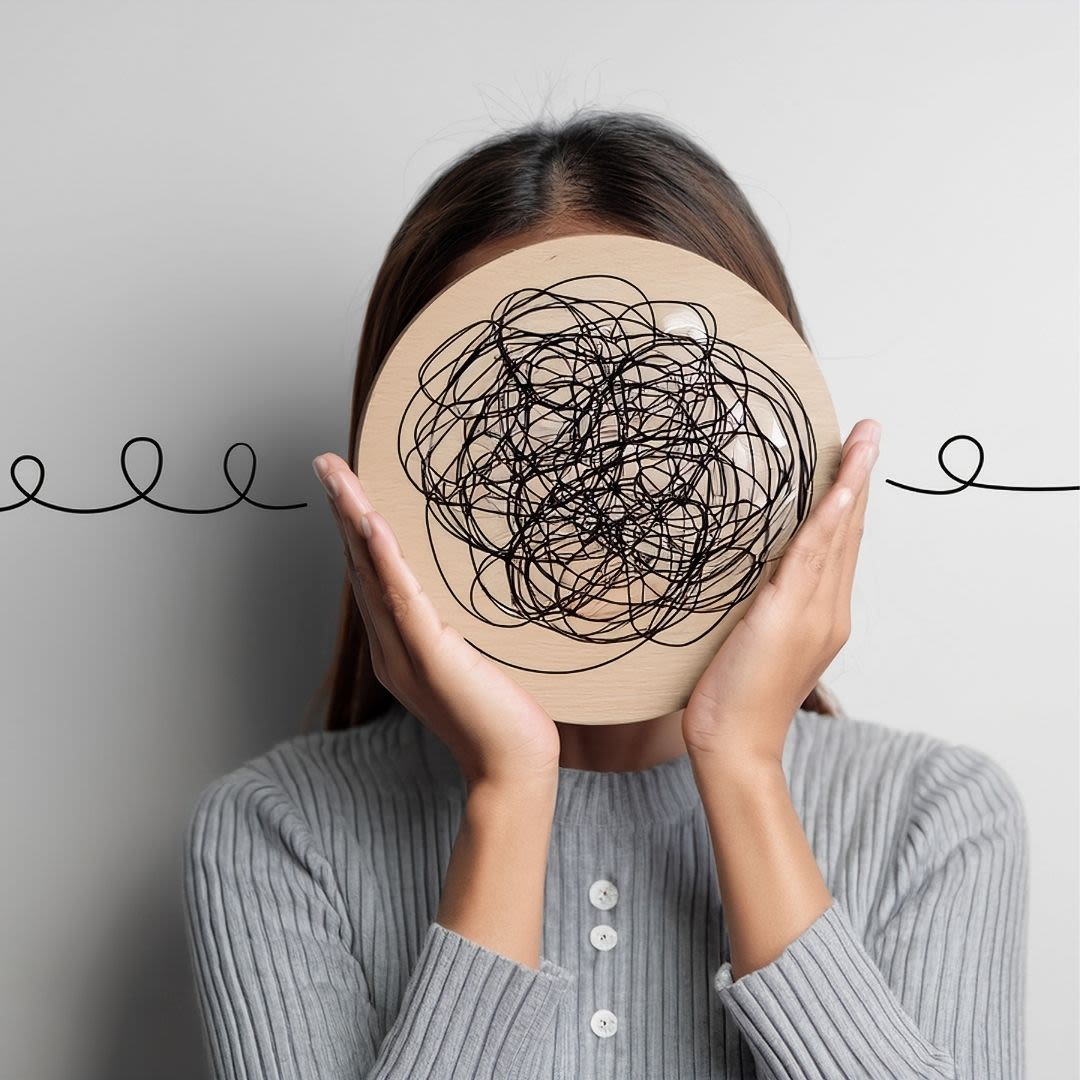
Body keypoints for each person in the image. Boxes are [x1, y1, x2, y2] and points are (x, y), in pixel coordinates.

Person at [181, 110, 1028, 1079]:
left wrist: (744, 766)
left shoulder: (935, 816)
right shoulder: (278, 831)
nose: (595, 475)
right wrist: (508, 793)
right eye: (517, 408)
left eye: (659, 387)